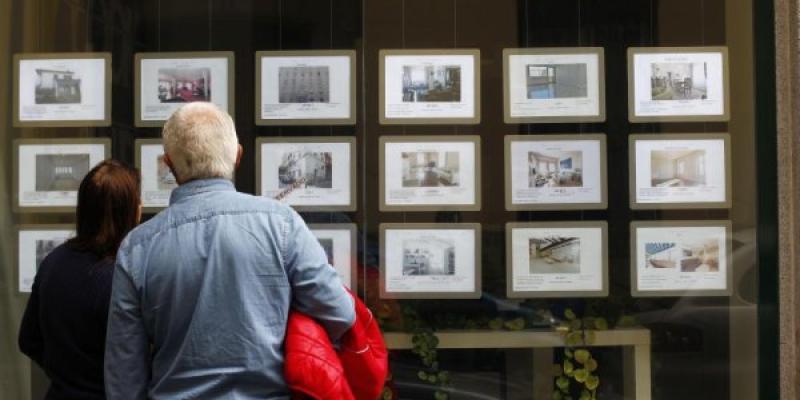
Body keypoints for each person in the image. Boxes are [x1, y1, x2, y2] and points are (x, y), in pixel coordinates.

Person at [104, 102, 355, 400]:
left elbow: (124, 371)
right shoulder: (281, 224)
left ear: (169, 164)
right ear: (238, 156)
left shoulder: (137, 247)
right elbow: (339, 313)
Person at [18, 160, 142, 400]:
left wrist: (67, 375)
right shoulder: (122, 276)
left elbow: (28, 339)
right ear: (129, 212)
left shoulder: (52, 262)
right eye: (137, 200)